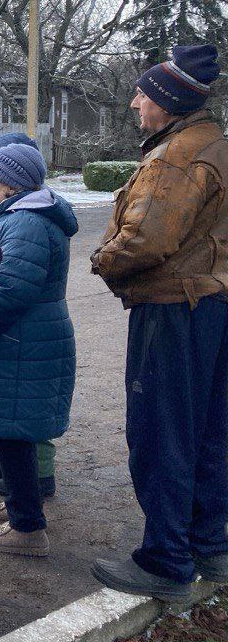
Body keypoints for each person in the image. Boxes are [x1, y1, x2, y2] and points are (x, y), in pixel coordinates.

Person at [90, 44, 228, 603]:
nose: (134, 103)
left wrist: (103, 260)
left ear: (167, 102)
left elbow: (146, 239)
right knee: (210, 431)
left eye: (143, 94)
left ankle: (165, 558)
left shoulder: (176, 156)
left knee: (162, 431)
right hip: (215, 304)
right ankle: (209, 546)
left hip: (176, 310)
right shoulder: (218, 145)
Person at [0, 142, 77, 558]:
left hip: (22, 341)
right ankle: (19, 504)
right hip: (26, 338)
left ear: (12, 187)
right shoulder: (23, 216)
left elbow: (10, 291)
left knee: (12, 429)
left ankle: (27, 527)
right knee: (12, 428)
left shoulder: (27, 223)